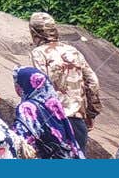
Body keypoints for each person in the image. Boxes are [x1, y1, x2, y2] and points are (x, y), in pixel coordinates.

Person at [29, 11, 102, 155]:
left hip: (53, 120)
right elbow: (93, 82)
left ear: (33, 32)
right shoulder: (73, 51)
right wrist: (91, 113)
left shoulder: (38, 53)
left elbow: (41, 87)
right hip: (77, 121)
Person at [11, 66, 85, 159]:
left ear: (24, 85)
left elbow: (19, 140)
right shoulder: (54, 103)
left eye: (17, 84)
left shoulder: (27, 107)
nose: (16, 88)